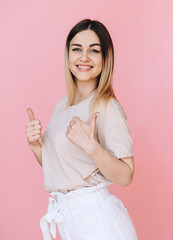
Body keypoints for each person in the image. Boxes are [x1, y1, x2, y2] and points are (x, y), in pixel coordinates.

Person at [25, 19, 138, 240]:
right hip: (69, 219)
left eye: (94, 50)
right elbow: (60, 169)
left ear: (105, 58)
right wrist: (35, 146)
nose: (84, 57)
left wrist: (91, 146)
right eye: (77, 49)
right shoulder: (62, 106)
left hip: (98, 222)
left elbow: (126, 176)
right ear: (68, 55)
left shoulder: (106, 106)